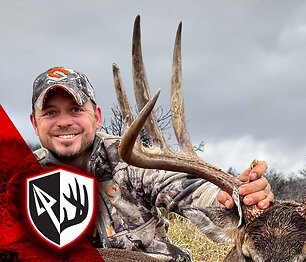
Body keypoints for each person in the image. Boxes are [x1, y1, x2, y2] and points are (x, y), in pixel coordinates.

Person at [29, 66, 274, 261]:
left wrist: (227, 196)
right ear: (34, 122)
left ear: (97, 116)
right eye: (50, 113)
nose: (64, 122)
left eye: (75, 109)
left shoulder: (129, 159)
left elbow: (184, 187)